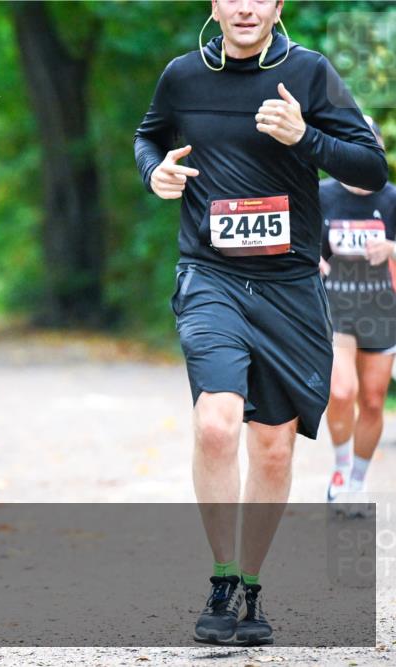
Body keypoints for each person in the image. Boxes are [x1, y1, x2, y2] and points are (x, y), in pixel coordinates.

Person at [134, 0, 387, 647]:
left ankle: (251, 583)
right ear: (215, 5)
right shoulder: (182, 76)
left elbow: (371, 168)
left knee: (272, 445)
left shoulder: (310, 74)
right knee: (217, 422)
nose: (245, 6)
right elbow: (149, 136)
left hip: (290, 286)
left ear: (277, 5)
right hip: (210, 276)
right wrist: (155, 171)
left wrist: (307, 137)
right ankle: (221, 578)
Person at [319, 117, 396, 503]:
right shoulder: (321, 195)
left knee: (371, 399)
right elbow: (302, 246)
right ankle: (340, 467)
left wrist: (393, 249)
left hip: (382, 309)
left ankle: (358, 482)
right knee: (341, 390)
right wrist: (313, 261)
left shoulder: (392, 199)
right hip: (338, 306)